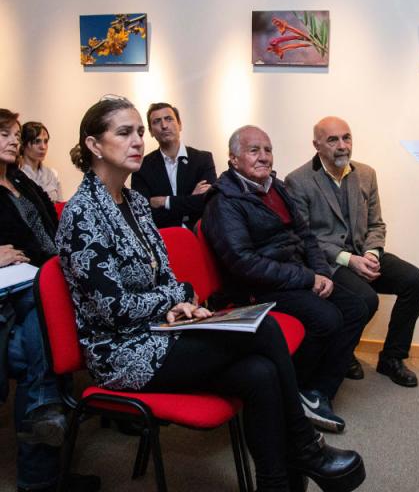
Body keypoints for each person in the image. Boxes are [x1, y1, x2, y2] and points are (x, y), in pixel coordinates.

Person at [57, 97, 365, 492]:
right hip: (122, 352)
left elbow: (167, 277)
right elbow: (110, 308)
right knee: (265, 330)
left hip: (160, 331)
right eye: (124, 133)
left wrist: (180, 300)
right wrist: (169, 302)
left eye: (138, 132)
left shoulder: (134, 202)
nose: (138, 141)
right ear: (94, 146)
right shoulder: (81, 215)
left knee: (261, 372)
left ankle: (277, 483)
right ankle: (305, 446)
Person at [202, 125, 369, 433]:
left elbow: (305, 235)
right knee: (327, 318)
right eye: (254, 150)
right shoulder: (223, 201)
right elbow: (244, 263)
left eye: (268, 149)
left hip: (292, 275)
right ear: (234, 159)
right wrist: (307, 278)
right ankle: (292, 391)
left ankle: (314, 391)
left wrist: (319, 271)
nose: (263, 156)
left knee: (357, 307)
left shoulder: (275, 187)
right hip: (254, 288)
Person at [286, 117, 419, 387]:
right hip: (330, 262)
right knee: (365, 300)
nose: (342, 146)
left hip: (364, 253)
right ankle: (344, 351)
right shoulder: (298, 181)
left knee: (414, 282)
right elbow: (305, 238)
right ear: (316, 145)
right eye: (333, 140)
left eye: (346, 138)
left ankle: (392, 358)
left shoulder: (366, 174)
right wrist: (349, 260)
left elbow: (376, 224)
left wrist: (372, 255)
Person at [0, 109, 99, 492]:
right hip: (16, 294)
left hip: (48, 281)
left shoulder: (22, 181)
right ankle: (42, 473)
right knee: (40, 330)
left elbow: (56, 230)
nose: (12, 140)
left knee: (33, 340)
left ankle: (43, 474)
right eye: (4, 134)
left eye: (13, 134)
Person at [132, 102, 216, 230]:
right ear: (150, 132)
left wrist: (164, 201)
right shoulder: (141, 167)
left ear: (180, 124)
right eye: (156, 121)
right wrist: (191, 199)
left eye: (169, 119)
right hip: (164, 241)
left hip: (201, 237)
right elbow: (144, 215)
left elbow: (209, 203)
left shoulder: (203, 159)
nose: (164, 125)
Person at [19, 121, 63, 203]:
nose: (43, 147)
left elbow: (60, 207)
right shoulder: (16, 175)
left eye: (45, 141)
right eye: (37, 141)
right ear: (23, 144)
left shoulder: (52, 174)